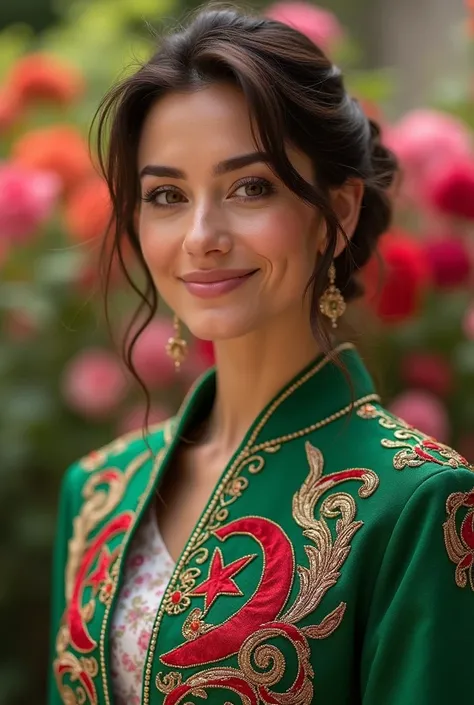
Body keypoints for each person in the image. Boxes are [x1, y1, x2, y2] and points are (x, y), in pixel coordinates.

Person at [49, 6, 474, 705]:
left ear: (335, 216)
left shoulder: (422, 503)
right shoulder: (97, 493)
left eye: (250, 187)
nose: (201, 235)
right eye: (166, 195)